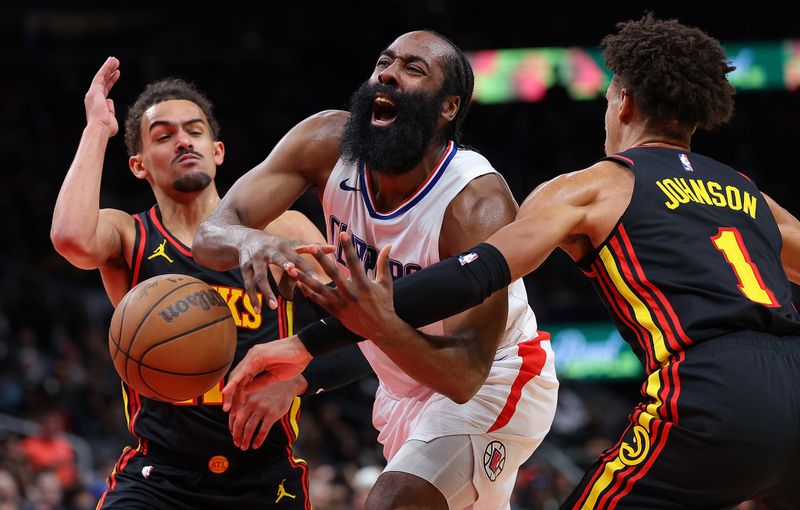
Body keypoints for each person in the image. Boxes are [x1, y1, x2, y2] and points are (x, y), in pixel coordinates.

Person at [234, 14, 800, 509]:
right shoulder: (752, 195)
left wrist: (314, 338)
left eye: (607, 98)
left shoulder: (593, 187)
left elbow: (476, 274)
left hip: (709, 387)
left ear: (622, 101)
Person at [193, 30, 559, 510]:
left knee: (391, 503)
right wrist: (251, 239)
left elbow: (464, 374)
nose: (387, 73)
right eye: (384, 62)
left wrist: (367, 327)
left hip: (496, 379)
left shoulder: (475, 204)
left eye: (413, 69)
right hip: (400, 386)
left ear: (448, 107)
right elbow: (210, 235)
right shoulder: (325, 142)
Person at [50, 57, 371, 509]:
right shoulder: (129, 235)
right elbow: (70, 237)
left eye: (194, 131)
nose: (183, 141)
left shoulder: (284, 230)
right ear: (139, 166)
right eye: (164, 136)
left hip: (264, 479)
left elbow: (372, 332)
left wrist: (299, 381)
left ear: (217, 151)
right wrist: (96, 131)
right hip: (158, 477)